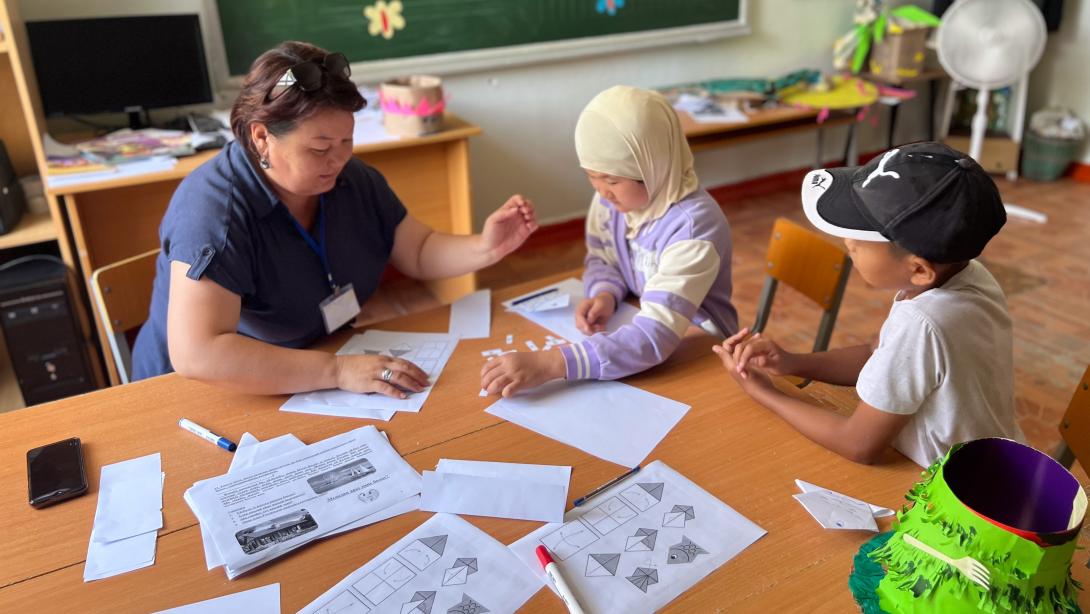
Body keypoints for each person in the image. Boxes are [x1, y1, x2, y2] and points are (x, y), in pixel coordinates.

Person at [131, 41, 538, 397]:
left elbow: (418, 250)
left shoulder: (350, 179)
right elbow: (199, 354)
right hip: (202, 391)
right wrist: (337, 371)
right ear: (261, 137)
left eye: (347, 140)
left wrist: (485, 246)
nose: (339, 160)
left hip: (308, 364)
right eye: (320, 147)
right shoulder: (214, 212)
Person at [715, 142, 1025, 467]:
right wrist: (791, 363)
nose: (847, 244)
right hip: (990, 464)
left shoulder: (923, 321)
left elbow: (859, 445)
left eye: (859, 243)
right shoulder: (965, 273)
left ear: (918, 269)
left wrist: (764, 393)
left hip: (946, 491)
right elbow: (878, 355)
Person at [481, 85, 738, 397]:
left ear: (654, 168)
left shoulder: (694, 228)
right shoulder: (613, 202)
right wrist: (606, 293)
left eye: (612, 180)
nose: (601, 191)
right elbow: (605, 258)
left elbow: (655, 336)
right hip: (644, 332)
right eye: (591, 176)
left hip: (705, 353)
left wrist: (552, 363)